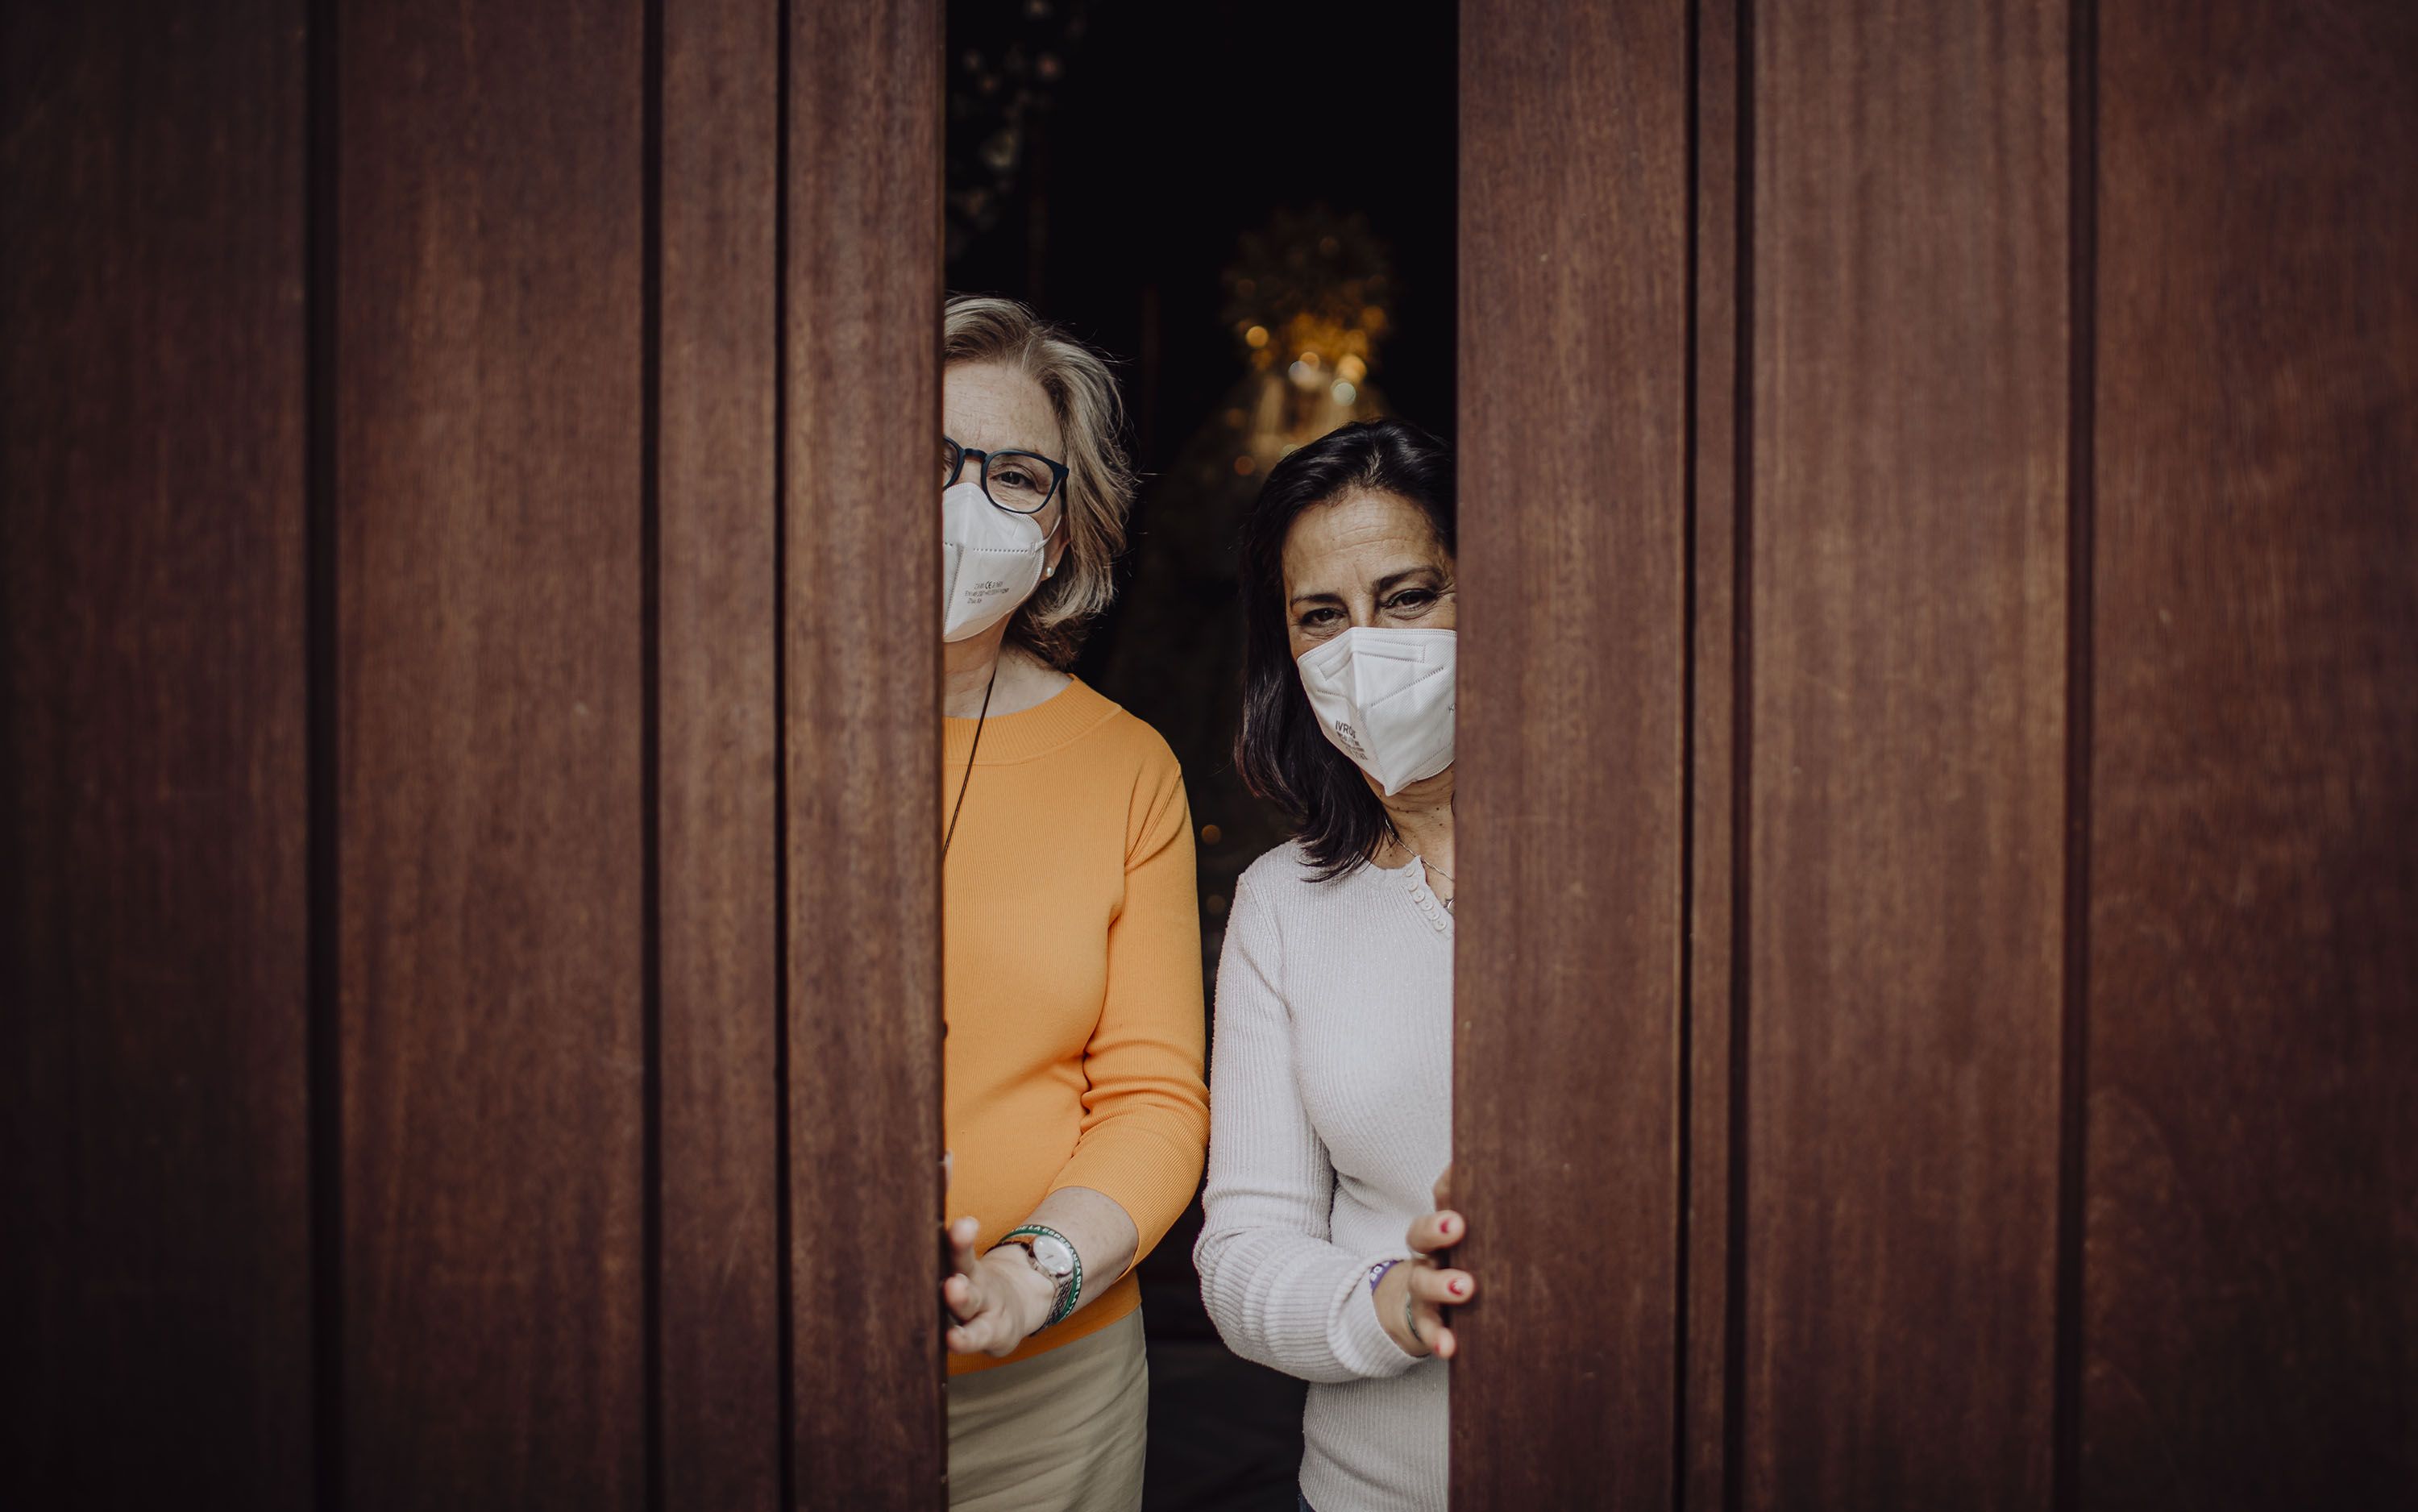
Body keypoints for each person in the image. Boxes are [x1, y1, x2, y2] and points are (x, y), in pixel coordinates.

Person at [934, 294, 1210, 1512]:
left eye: (1015, 476)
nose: (965, 502)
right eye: (930, 460)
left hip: (1049, 1398)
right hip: (749, 1365)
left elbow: (1154, 1097)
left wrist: (1029, 1276)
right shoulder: (725, 722)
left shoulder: (1127, 766)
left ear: (1060, 531)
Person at [1194, 417, 1476, 1512]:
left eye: (1408, 597)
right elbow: (1244, 1254)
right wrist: (1388, 1304)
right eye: (1323, 617)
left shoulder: (1635, 872)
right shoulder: (1283, 907)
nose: (1367, 644)